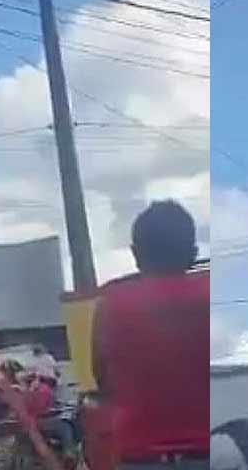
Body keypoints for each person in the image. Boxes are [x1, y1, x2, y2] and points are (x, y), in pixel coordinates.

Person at [92, 200, 210, 469]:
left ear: (135, 254)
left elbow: (103, 378)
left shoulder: (110, 302)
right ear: (193, 253)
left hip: (140, 456)